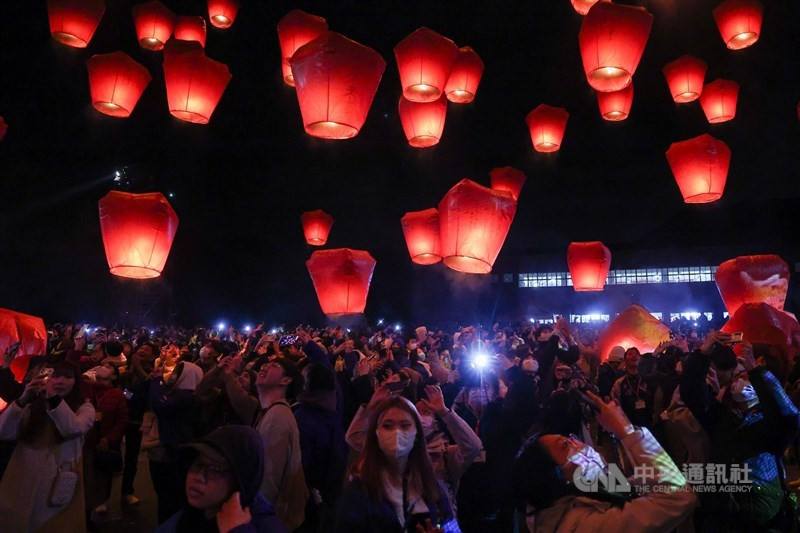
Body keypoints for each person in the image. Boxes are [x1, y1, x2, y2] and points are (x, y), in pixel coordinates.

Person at [513, 391, 696, 532]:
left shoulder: (592, 492)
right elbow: (679, 496)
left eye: (569, 437)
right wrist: (626, 432)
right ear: (555, 476)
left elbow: (635, 485)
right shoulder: (585, 525)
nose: (577, 443)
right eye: (565, 446)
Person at [0, 360, 96, 532]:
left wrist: (52, 398)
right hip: (22, 475)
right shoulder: (31, 406)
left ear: (76, 382)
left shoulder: (85, 408)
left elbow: (72, 428)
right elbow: (5, 431)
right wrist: (21, 401)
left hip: (58, 481)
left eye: (67, 377)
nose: (60, 381)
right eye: (55, 376)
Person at [336, 395, 454, 532]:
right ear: (376, 433)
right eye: (387, 426)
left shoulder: (431, 485)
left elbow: (452, 527)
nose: (396, 432)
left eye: (405, 426)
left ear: (416, 434)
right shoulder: (359, 490)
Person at [156, 425, 286, 533]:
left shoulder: (265, 526)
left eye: (215, 469)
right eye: (197, 464)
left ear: (240, 481)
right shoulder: (188, 517)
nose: (199, 477)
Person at [254, 358, 308, 531]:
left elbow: (267, 481)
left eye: (274, 365)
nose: (264, 366)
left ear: (286, 380)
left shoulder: (277, 417)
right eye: (264, 364)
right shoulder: (272, 412)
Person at [85, 365, 128, 517]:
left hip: (106, 439)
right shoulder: (88, 391)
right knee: (88, 472)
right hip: (87, 440)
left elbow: (122, 420)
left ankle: (102, 499)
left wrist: (109, 438)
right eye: (98, 378)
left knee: (104, 472)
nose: (100, 382)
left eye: (104, 379)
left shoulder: (116, 395)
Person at [610, 348, 653, 428]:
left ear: (640, 359)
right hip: (628, 425)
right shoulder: (619, 383)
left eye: (636, 354)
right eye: (630, 354)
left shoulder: (647, 380)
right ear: (625, 360)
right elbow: (616, 404)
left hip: (648, 424)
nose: (634, 356)